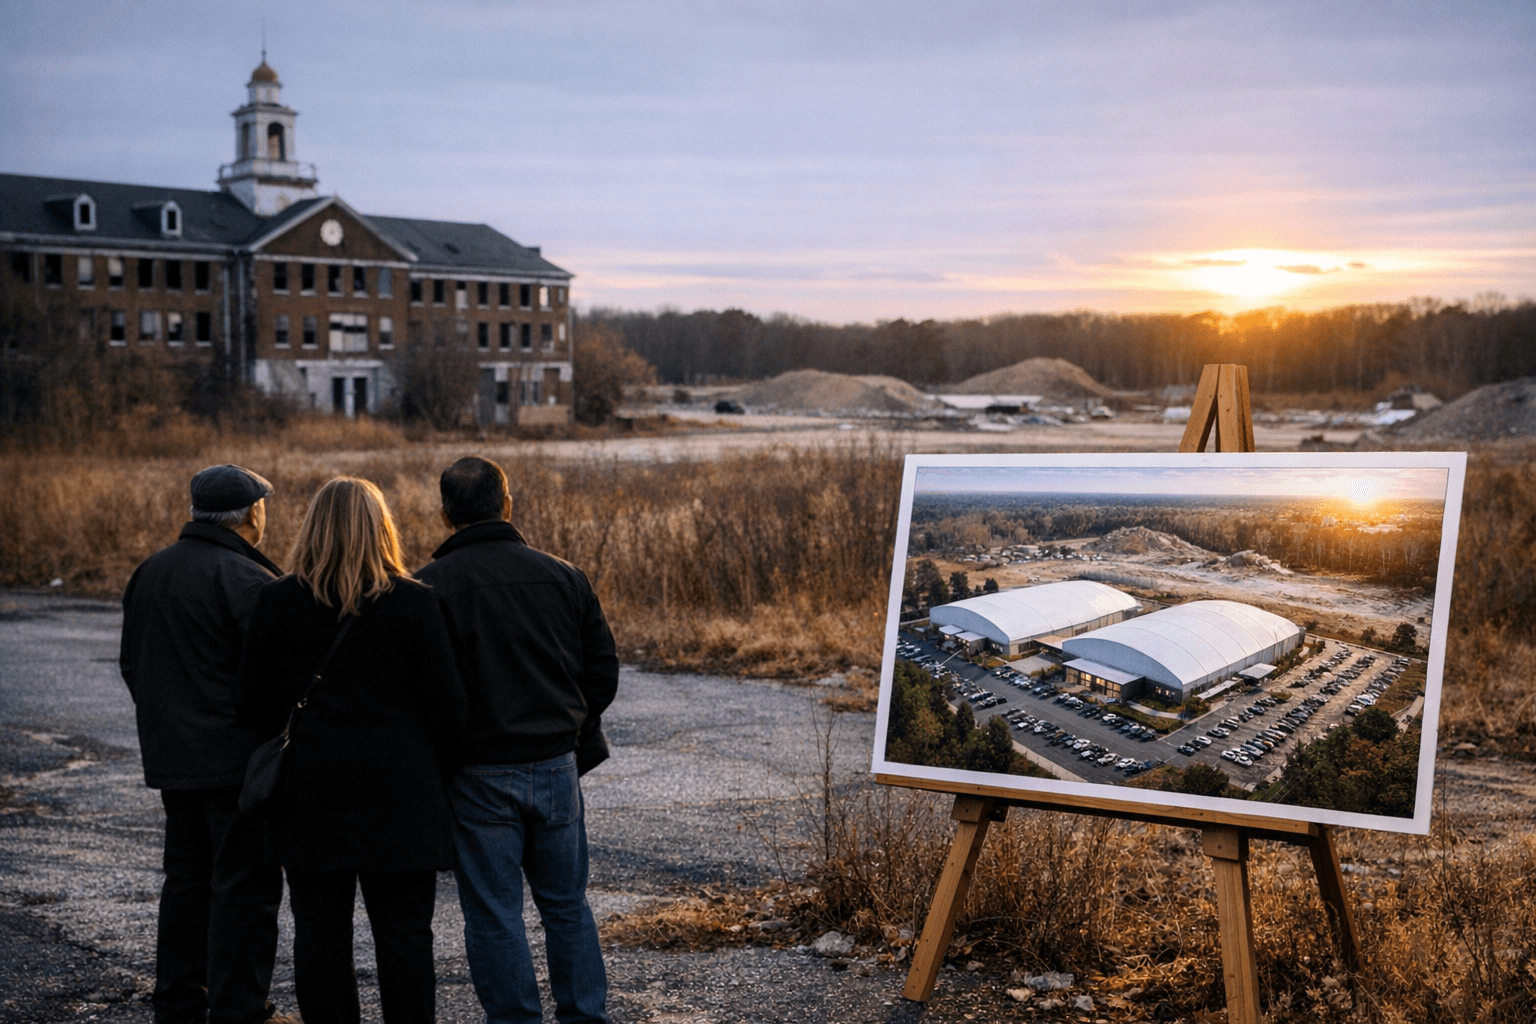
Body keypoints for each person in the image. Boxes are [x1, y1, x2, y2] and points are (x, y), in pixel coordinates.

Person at [236, 477, 467, 1024]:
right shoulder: (415, 604)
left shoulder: (275, 602)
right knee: (405, 933)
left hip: (309, 787)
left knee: (319, 930)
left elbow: (251, 708)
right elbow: (451, 710)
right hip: (401, 790)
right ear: (380, 528)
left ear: (313, 529)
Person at [416, 456, 619, 1024]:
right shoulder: (563, 575)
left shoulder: (426, 588)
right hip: (555, 764)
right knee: (566, 905)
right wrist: (570, 726)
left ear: (445, 514)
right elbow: (602, 670)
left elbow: (423, 690)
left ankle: (515, 1019)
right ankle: (584, 1015)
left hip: (475, 773)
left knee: (492, 912)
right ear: (507, 504)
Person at [119, 464, 291, 1024]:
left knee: (186, 881)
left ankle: (178, 999)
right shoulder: (250, 583)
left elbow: (133, 664)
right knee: (246, 888)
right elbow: (272, 682)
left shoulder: (151, 572)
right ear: (251, 515)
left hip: (174, 759)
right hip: (237, 766)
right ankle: (239, 1005)